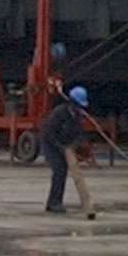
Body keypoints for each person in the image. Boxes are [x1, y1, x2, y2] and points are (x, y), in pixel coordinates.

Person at [41, 85, 96, 218]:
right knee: (59, 170)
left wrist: (75, 145)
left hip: (65, 145)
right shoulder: (58, 113)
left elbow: (79, 133)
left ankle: (55, 202)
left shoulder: (77, 116)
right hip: (51, 145)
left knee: (64, 170)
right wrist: (61, 147)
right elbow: (49, 133)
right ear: (71, 103)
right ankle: (54, 203)